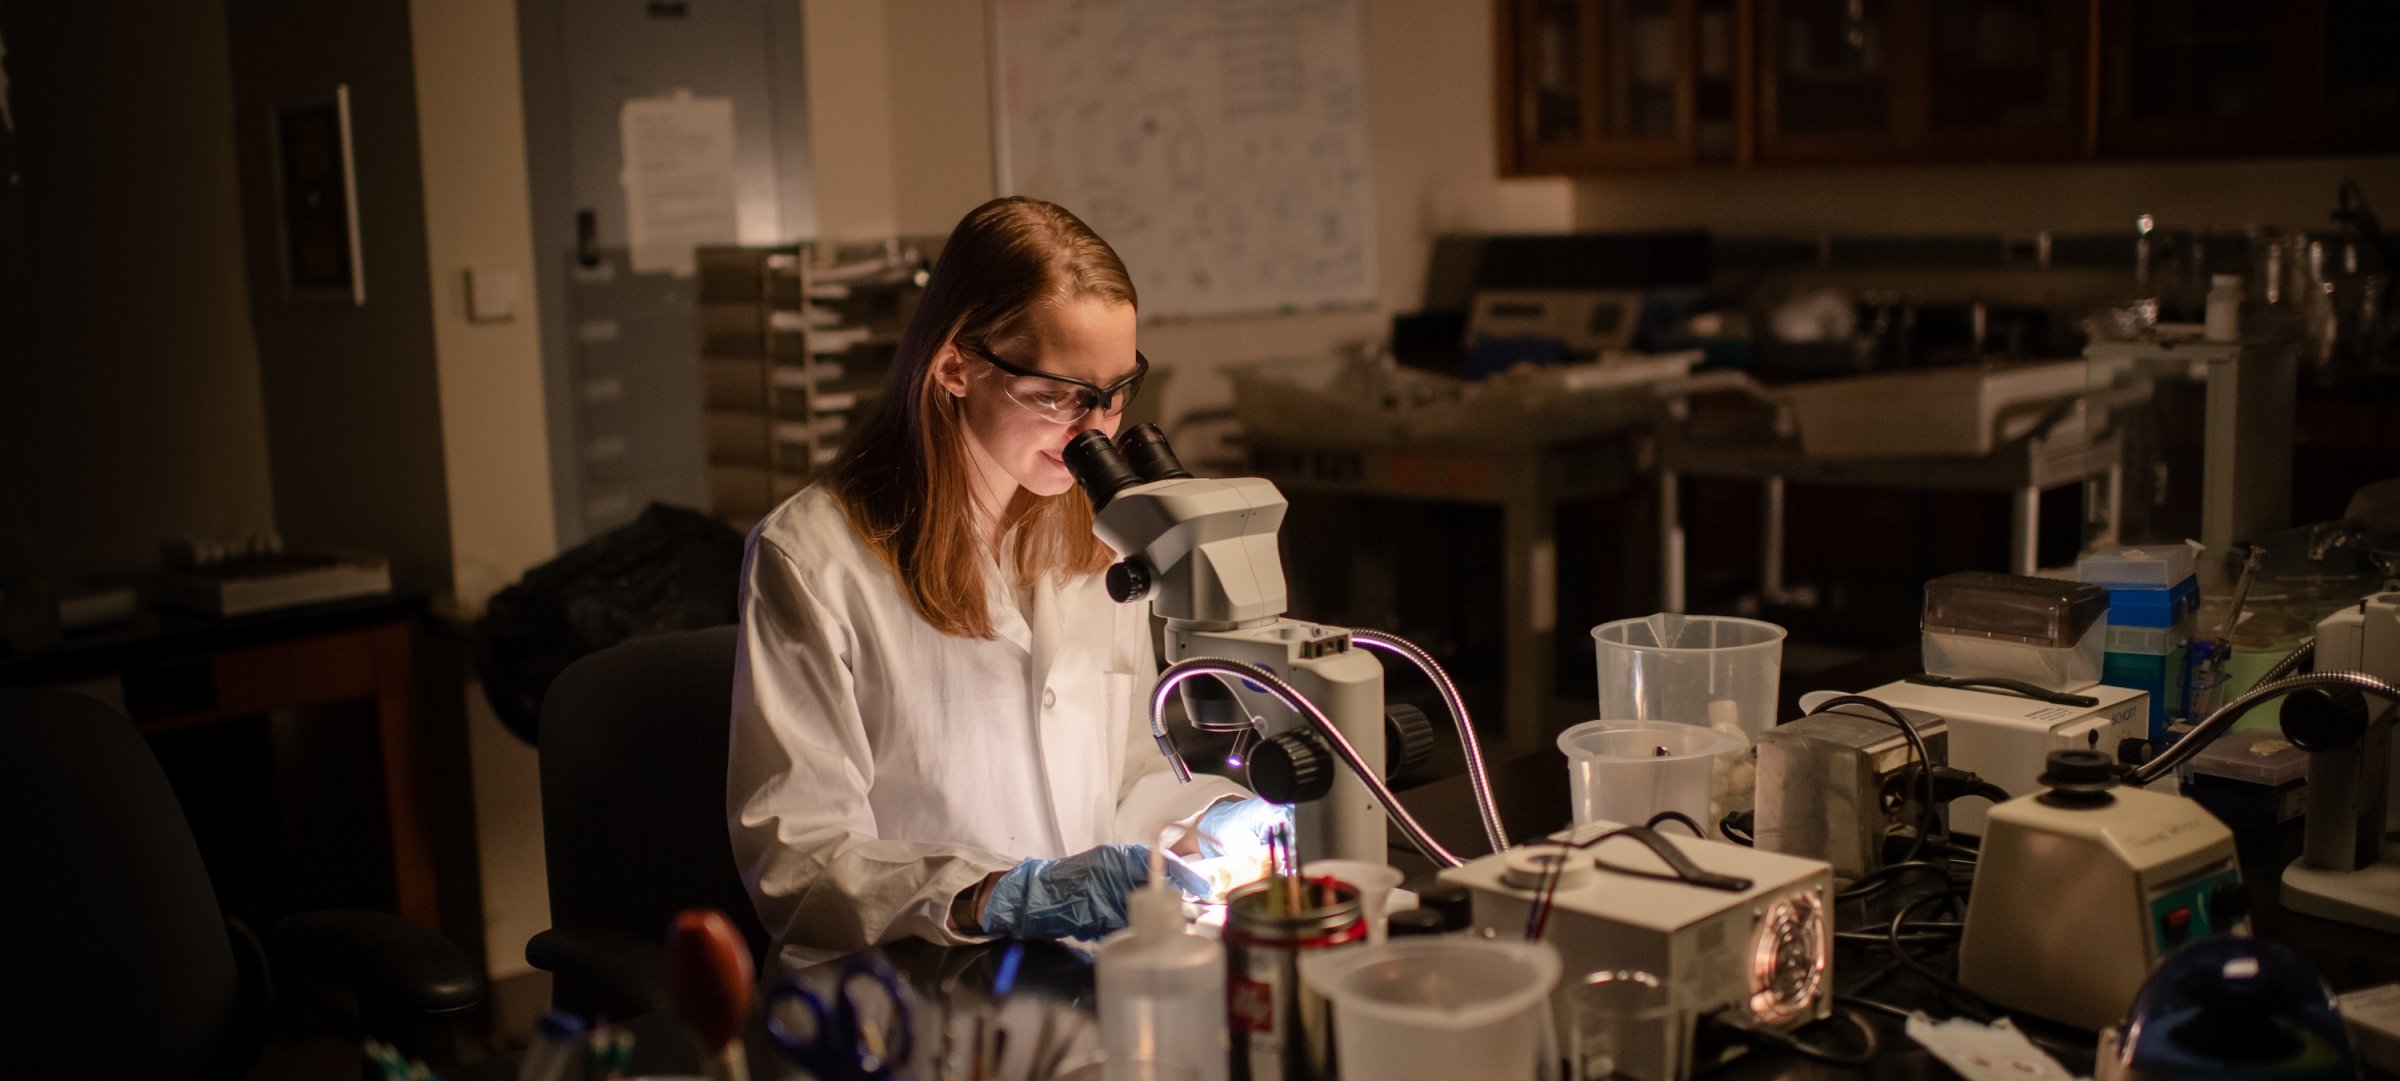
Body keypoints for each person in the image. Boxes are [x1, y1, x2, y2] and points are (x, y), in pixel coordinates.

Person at [728, 196, 1286, 969]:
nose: (1097, 431)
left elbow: (1127, 771)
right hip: (912, 988)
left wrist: (1215, 819)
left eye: (1117, 391)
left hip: (1082, 968)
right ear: (956, 366)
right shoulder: (813, 557)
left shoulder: (1104, 537)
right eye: (1061, 396)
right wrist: (997, 893)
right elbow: (799, 862)